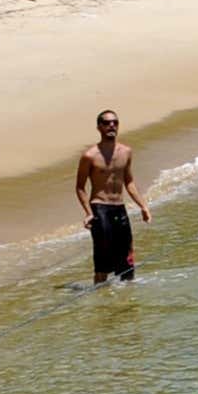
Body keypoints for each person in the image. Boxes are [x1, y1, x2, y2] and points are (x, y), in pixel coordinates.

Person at [75, 110, 142, 283]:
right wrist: (88, 212)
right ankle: (101, 298)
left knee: (127, 255)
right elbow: (80, 187)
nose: (111, 126)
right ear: (99, 127)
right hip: (100, 207)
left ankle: (128, 298)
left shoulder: (126, 152)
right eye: (106, 123)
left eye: (115, 122)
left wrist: (143, 206)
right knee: (102, 257)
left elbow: (129, 182)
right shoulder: (89, 156)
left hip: (119, 207)